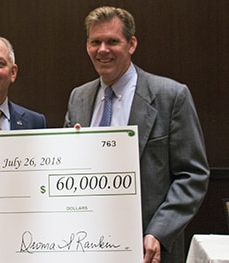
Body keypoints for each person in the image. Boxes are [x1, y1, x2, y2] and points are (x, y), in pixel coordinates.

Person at [63, 6, 209, 263]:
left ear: (131, 44)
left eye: (112, 41)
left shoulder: (171, 96)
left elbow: (192, 175)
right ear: (87, 45)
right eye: (95, 42)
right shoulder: (78, 98)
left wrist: (159, 232)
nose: (102, 50)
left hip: (150, 250)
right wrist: (72, 152)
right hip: (86, 243)